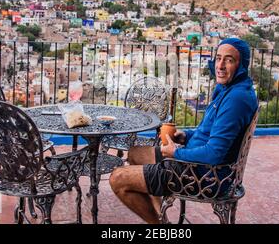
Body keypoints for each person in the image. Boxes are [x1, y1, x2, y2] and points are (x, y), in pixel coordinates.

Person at [109, 38, 258, 224]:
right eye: (218, 58)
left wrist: (176, 152)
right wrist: (186, 135)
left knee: (118, 179)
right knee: (135, 153)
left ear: (241, 65)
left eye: (229, 60)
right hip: (196, 165)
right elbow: (209, 132)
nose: (220, 65)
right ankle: (162, 219)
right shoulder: (231, 89)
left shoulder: (235, 99)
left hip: (202, 175)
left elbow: (214, 153)